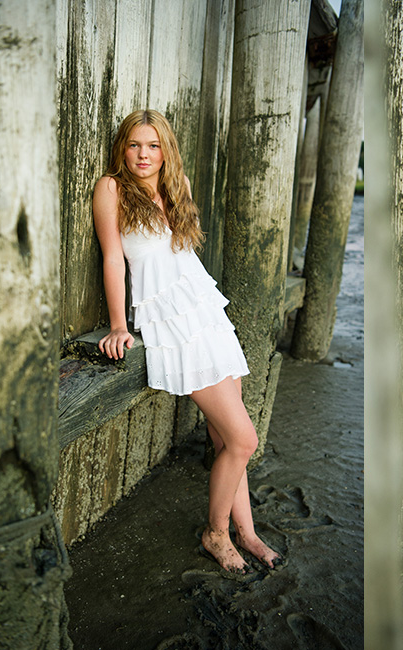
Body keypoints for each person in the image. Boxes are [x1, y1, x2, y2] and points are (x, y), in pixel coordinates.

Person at [92, 109, 282, 575]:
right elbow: (113, 258)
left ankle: (247, 533)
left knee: (226, 436)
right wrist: (118, 324)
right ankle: (216, 533)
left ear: (166, 150)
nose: (143, 155)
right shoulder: (112, 189)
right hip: (169, 321)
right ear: (123, 148)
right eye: (135, 145)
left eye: (153, 146)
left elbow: (183, 256)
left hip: (205, 312)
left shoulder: (178, 186)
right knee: (244, 439)